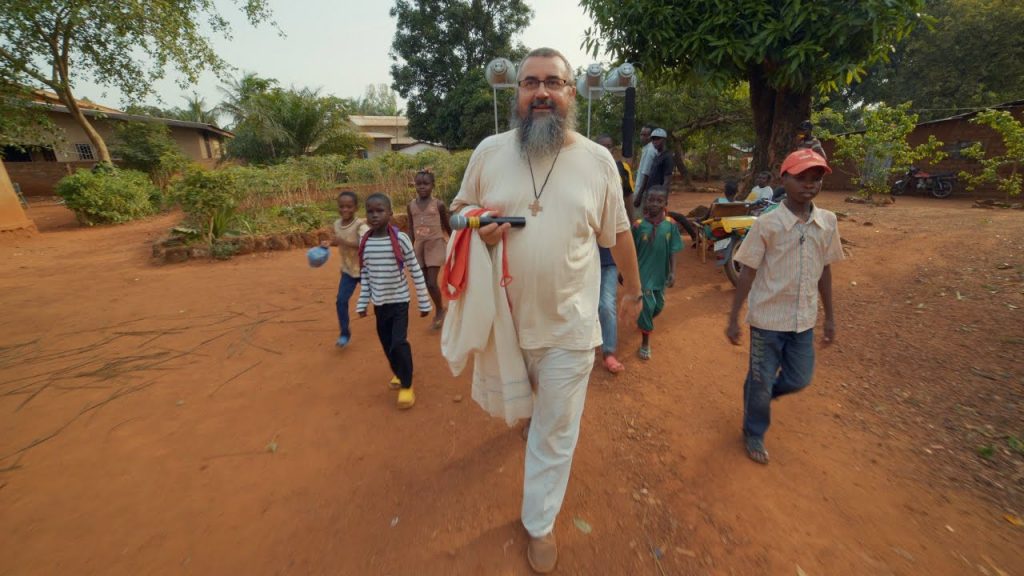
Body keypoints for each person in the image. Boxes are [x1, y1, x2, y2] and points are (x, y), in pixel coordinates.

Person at [449, 47, 641, 574]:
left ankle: (539, 522)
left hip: (569, 327)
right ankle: (532, 416)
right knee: (529, 409)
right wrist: (476, 224)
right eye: (530, 82)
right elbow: (458, 210)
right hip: (504, 323)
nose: (541, 92)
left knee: (555, 433)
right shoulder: (489, 152)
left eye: (552, 82)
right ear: (517, 92)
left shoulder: (598, 162)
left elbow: (619, 231)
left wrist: (634, 291)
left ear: (570, 93)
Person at [725, 149, 843, 465]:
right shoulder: (767, 224)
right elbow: (747, 271)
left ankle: (759, 393)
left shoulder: (827, 222)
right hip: (767, 320)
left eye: (815, 179)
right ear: (783, 179)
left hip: (803, 320)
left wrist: (830, 317)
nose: (809, 184)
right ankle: (754, 431)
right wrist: (733, 317)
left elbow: (825, 270)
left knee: (800, 378)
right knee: (761, 379)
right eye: (801, 178)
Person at [356, 193, 432, 410]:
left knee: (398, 343)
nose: (374, 215)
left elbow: (415, 269)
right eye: (370, 211)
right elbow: (366, 275)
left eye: (380, 211)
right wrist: (362, 302)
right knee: (387, 346)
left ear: (390, 213)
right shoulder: (365, 242)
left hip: (399, 302)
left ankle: (407, 385)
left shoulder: (400, 239)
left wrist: (424, 301)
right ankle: (399, 372)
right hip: (379, 305)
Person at [632, 186, 683, 360]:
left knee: (658, 306)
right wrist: (625, 271)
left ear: (665, 203)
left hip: (661, 274)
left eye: (659, 201)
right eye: (651, 200)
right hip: (643, 274)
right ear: (646, 201)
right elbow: (630, 251)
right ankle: (645, 343)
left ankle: (643, 319)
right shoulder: (638, 225)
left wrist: (673, 272)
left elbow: (673, 250)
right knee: (648, 306)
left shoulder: (670, 225)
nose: (654, 204)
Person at [406, 168, 452, 329]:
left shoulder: (438, 204)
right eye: (418, 184)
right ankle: (440, 307)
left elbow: (447, 225)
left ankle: (439, 311)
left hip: (435, 246)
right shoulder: (411, 205)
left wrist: (454, 242)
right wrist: (408, 249)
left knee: (432, 282)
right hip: (419, 247)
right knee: (425, 282)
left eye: (426, 184)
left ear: (433, 185)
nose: (422, 187)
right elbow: (411, 229)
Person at [328, 190, 369, 348]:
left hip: (365, 270)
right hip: (348, 271)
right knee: (341, 301)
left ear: (356, 208)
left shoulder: (360, 225)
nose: (345, 209)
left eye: (349, 206)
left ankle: (390, 322)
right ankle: (344, 333)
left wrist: (342, 241)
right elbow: (339, 243)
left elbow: (365, 244)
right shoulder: (337, 224)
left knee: (380, 299)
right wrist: (329, 244)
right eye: (341, 206)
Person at [634, 128, 673, 208]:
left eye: (658, 139)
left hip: (657, 197)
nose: (655, 141)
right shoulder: (657, 155)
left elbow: (667, 180)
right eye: (653, 139)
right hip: (650, 194)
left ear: (664, 140)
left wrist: (663, 198)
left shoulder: (667, 157)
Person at [632, 125, 656, 207]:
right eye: (641, 134)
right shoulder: (646, 149)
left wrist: (639, 195)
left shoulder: (650, 150)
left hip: (643, 193)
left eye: (645, 135)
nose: (642, 137)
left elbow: (646, 175)